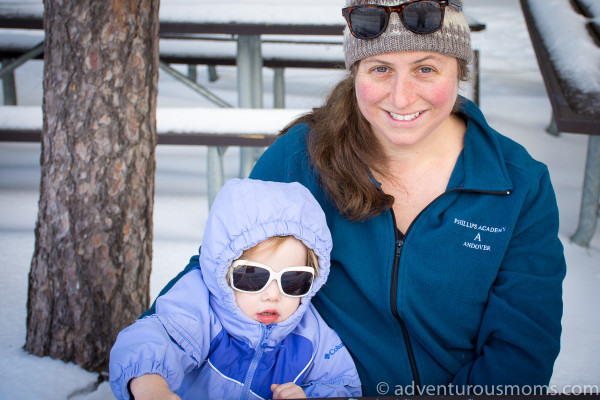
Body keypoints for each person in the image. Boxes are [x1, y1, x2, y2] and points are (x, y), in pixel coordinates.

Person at [145, 0, 566, 396]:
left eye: (426, 69)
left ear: (459, 71)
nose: (401, 98)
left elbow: (522, 348)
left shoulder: (516, 184)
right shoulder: (302, 157)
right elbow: (213, 274)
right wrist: (147, 372)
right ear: (355, 71)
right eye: (380, 68)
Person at [109, 179, 362, 400]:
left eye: (293, 280)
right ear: (223, 271)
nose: (273, 295)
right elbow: (155, 338)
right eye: (252, 276)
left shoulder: (311, 337)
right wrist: (151, 387)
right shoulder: (201, 312)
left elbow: (341, 385)